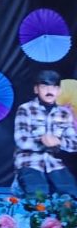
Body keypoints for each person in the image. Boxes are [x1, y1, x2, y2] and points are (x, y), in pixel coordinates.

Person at [14, 69, 77, 198]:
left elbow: (74, 144)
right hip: (29, 161)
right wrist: (44, 142)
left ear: (59, 91)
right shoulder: (25, 109)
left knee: (71, 195)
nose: (49, 91)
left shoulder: (65, 113)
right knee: (39, 196)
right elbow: (21, 140)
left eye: (54, 87)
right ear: (36, 89)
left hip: (54, 163)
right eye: (44, 86)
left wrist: (59, 142)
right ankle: (19, 185)